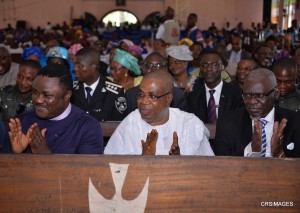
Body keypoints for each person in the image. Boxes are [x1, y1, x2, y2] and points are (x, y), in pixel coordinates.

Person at [104, 71, 214, 156]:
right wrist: (143, 160)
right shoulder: (131, 122)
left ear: (168, 98)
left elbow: (208, 168)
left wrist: (180, 162)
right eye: (141, 95)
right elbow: (111, 165)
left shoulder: (190, 125)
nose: (144, 101)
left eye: (152, 96)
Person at [2, 64, 103, 154]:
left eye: (47, 95)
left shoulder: (87, 126)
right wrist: (15, 154)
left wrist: (45, 155)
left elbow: (87, 172)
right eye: (35, 92)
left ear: (67, 95)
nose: (38, 100)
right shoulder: (21, 122)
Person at [214, 68, 300, 158]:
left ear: (276, 93)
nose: (252, 101)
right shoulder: (227, 122)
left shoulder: (295, 121)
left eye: (260, 96)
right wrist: (251, 150)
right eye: (247, 95)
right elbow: (222, 163)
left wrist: (280, 154)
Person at [188, 50, 243, 125]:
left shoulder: (235, 93)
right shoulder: (193, 94)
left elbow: (238, 122)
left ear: (222, 67)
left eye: (214, 65)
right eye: (205, 65)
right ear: (200, 68)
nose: (209, 69)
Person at [72, 47, 127, 121]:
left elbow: (118, 125)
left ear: (92, 68)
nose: (74, 69)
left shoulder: (115, 93)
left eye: (79, 66)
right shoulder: (71, 89)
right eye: (74, 65)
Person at [0, 60, 40, 127]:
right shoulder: (4, 92)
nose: (23, 82)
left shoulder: (39, 100)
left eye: (29, 79)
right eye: (20, 76)